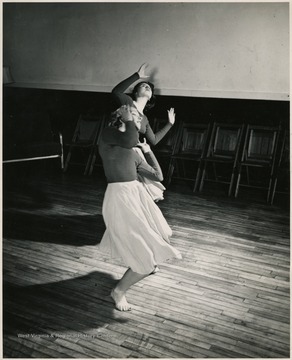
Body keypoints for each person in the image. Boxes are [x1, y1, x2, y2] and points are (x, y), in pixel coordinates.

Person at [98, 105, 181, 311]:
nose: (135, 119)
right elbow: (129, 138)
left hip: (137, 197)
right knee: (145, 257)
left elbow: (158, 176)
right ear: (119, 118)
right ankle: (118, 291)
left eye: (135, 117)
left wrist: (148, 151)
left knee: (156, 238)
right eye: (131, 115)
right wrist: (127, 119)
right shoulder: (107, 137)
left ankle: (145, 264)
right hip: (120, 200)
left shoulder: (132, 151)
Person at [112, 63, 176, 200]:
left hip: (135, 152)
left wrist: (169, 124)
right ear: (135, 92)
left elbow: (153, 140)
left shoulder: (145, 119)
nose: (147, 87)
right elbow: (116, 92)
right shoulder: (128, 102)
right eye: (143, 85)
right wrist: (137, 76)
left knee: (148, 186)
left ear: (151, 96)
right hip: (122, 151)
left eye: (149, 88)